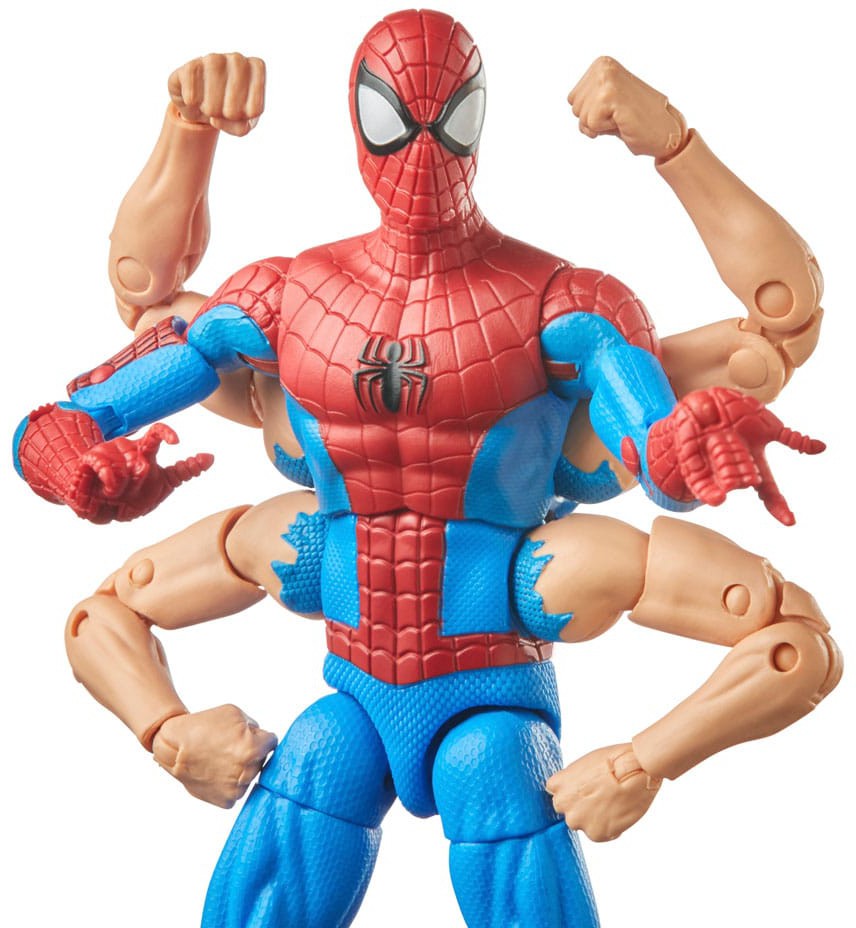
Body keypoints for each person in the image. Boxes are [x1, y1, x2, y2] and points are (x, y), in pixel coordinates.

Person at [12, 10, 840, 928]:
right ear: (356, 119)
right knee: (310, 752)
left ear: (477, 120)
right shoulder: (288, 298)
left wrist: (674, 145)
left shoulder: (562, 304)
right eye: (393, 120)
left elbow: (728, 373)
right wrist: (167, 725)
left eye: (447, 121)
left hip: (505, 636)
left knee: (501, 766)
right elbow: (77, 405)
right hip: (345, 650)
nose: (420, 152)